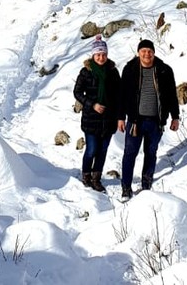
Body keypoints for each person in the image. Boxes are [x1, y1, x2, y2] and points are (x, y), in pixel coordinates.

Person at [116, 38, 179, 200]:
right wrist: (120, 117)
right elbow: (122, 95)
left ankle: (146, 184)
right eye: (143, 51)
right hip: (135, 122)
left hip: (156, 122)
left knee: (151, 153)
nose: (146, 54)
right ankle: (126, 187)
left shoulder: (164, 70)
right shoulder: (130, 69)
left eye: (149, 51)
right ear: (138, 53)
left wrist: (175, 116)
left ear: (154, 53)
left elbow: (172, 95)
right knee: (130, 154)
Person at [73, 37, 121, 191]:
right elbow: (77, 92)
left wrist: (119, 116)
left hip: (109, 118)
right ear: (93, 55)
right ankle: (86, 175)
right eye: (98, 54)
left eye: (103, 54)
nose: (101, 57)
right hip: (91, 118)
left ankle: (96, 178)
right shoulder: (86, 72)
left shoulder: (113, 72)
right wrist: (92, 104)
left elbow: (119, 95)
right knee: (92, 149)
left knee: (102, 150)